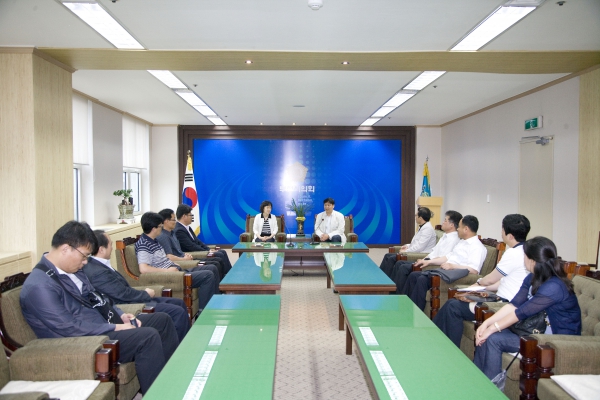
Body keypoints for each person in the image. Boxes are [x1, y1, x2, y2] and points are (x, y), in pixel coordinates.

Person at [20, 221, 179, 394]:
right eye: (84, 256)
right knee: (147, 337)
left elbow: (100, 298)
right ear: (66, 249)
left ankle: (170, 377)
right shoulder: (40, 286)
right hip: (84, 341)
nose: (85, 262)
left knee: (161, 320)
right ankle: (159, 394)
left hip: (102, 324)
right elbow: (69, 327)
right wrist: (116, 326)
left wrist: (121, 314)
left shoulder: (74, 270)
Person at [474, 236, 581, 380]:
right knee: (487, 334)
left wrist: (492, 328)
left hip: (558, 340)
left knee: (494, 339)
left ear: (532, 260)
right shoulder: (532, 276)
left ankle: (489, 388)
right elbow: (514, 305)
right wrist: (487, 324)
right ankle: (477, 380)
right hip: (535, 330)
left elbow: (521, 312)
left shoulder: (554, 286)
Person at [433, 214, 531, 347]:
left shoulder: (513, 253)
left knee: (453, 307)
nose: (501, 232)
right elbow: (504, 282)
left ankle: (446, 345)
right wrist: (479, 288)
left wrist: (478, 284)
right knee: (454, 303)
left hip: (501, 305)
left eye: (502, 229)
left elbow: (490, 279)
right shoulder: (528, 251)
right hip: (505, 299)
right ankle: (437, 338)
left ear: (510, 235)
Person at [83, 229, 190, 342]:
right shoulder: (97, 271)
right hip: (131, 304)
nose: (112, 247)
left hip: (134, 298)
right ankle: (179, 348)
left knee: (179, 303)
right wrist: (145, 293)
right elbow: (122, 294)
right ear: (101, 249)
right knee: (177, 312)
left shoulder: (100, 265)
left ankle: (184, 341)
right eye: (110, 244)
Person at [136, 212, 219, 310]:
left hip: (176, 269)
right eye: (160, 226)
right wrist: (168, 271)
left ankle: (216, 302)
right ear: (153, 229)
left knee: (212, 267)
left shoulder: (154, 240)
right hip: (171, 275)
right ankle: (204, 311)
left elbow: (163, 259)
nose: (161, 228)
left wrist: (175, 263)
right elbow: (143, 269)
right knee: (207, 275)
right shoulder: (144, 245)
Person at [402, 215, 487, 311]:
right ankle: (404, 307)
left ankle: (414, 313)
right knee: (414, 275)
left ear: (466, 229)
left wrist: (452, 266)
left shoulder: (477, 247)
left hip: (455, 276)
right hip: (445, 272)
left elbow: (474, 270)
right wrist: (428, 262)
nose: (457, 229)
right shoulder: (462, 242)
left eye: (459, 227)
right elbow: (447, 257)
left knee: (422, 279)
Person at [380, 210, 462, 290]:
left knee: (402, 267)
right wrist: (422, 258)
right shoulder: (445, 236)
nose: (443, 222)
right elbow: (432, 251)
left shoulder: (453, 239)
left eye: (445, 220)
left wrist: (425, 260)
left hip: (433, 263)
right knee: (398, 263)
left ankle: (395, 291)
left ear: (451, 225)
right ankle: (387, 285)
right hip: (427, 259)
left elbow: (442, 258)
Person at [157, 208, 226, 280]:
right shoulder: (164, 236)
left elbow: (195, 242)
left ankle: (224, 283)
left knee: (217, 261)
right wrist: (184, 259)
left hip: (186, 258)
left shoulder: (172, 233)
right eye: (174, 219)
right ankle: (222, 287)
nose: (175, 222)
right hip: (181, 262)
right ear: (166, 221)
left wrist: (186, 255)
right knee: (215, 265)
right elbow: (170, 257)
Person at [174, 204, 233, 275]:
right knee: (219, 255)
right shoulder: (179, 230)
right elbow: (191, 246)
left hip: (199, 251)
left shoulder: (187, 227)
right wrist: (207, 251)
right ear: (184, 216)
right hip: (194, 254)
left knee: (222, 252)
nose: (192, 217)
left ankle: (229, 274)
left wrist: (208, 249)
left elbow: (197, 241)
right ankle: (226, 277)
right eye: (190, 215)